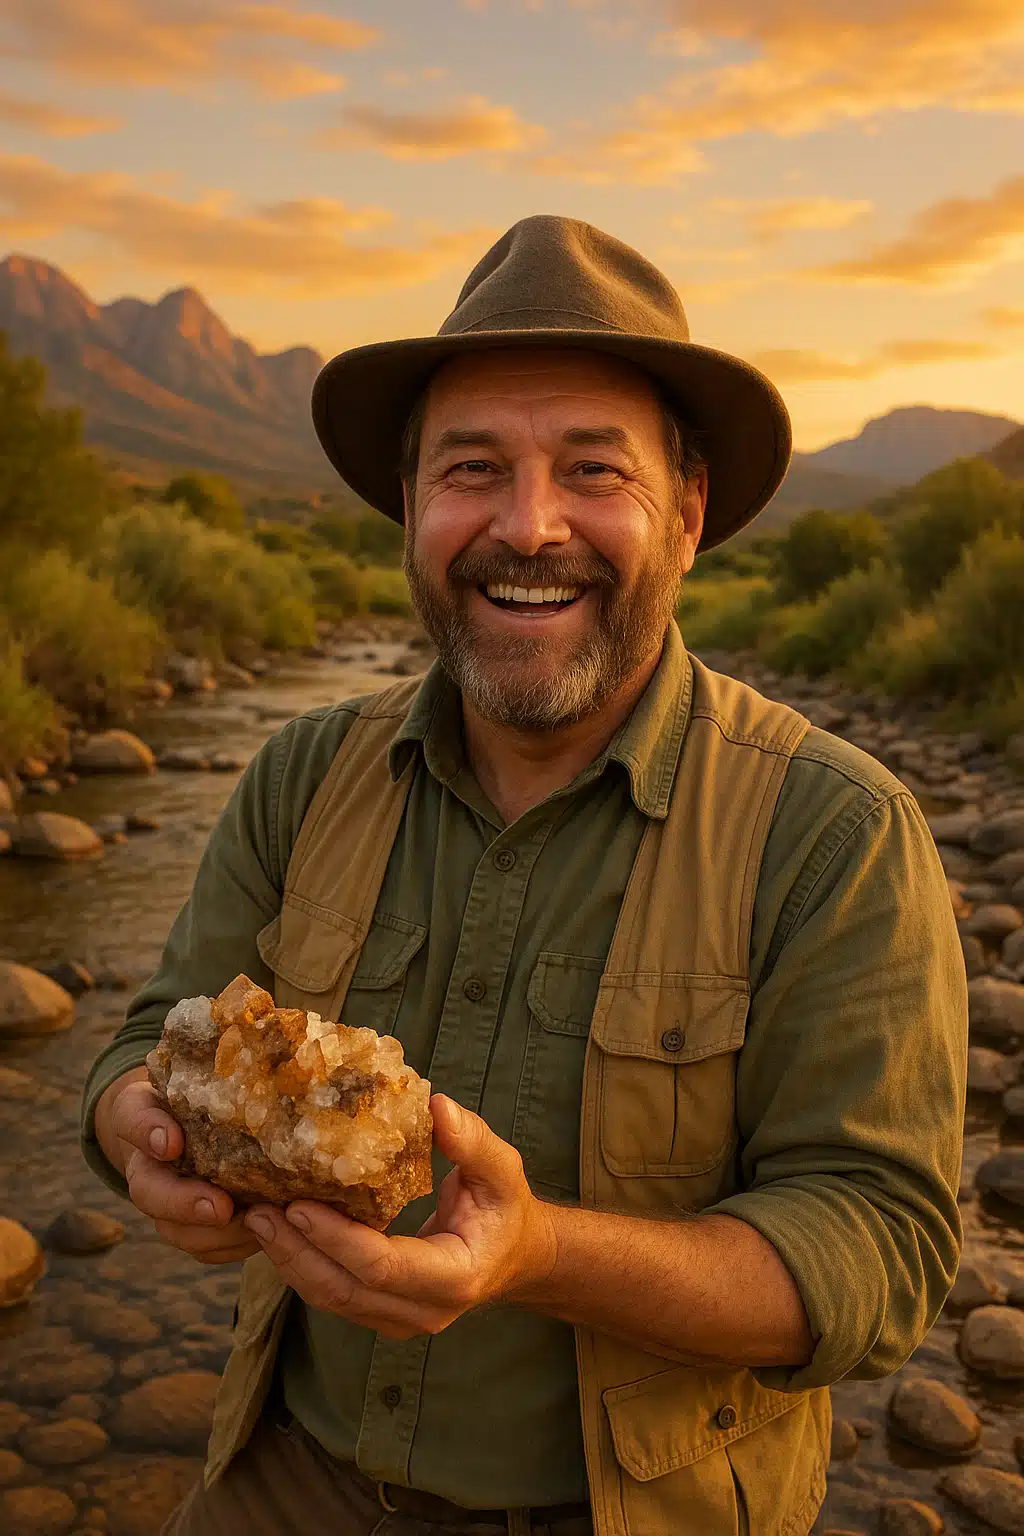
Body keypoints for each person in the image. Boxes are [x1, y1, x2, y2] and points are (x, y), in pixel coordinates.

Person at [82, 215, 968, 1536]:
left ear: (690, 511)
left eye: (593, 471)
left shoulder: (834, 832)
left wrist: (536, 1255)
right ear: (413, 506)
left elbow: (876, 1254)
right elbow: (147, 1044)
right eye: (473, 469)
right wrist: (145, 1148)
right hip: (281, 1481)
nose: (528, 525)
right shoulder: (299, 773)